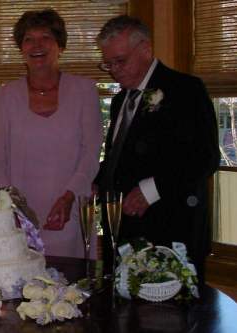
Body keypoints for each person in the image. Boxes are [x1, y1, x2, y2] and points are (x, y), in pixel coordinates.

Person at [94, 15, 219, 282]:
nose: (114, 70)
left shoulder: (185, 89)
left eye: (120, 61)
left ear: (146, 50)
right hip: (121, 231)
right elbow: (123, 158)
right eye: (108, 63)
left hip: (170, 230)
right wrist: (98, 181)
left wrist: (151, 189)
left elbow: (204, 158)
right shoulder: (120, 101)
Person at [0, 9, 103, 258]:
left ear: (60, 45)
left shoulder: (85, 90)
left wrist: (70, 196)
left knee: (71, 288)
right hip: (20, 217)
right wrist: (12, 207)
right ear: (21, 48)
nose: (37, 45)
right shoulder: (5, 95)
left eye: (46, 37)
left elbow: (91, 153)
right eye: (29, 39)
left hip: (70, 210)